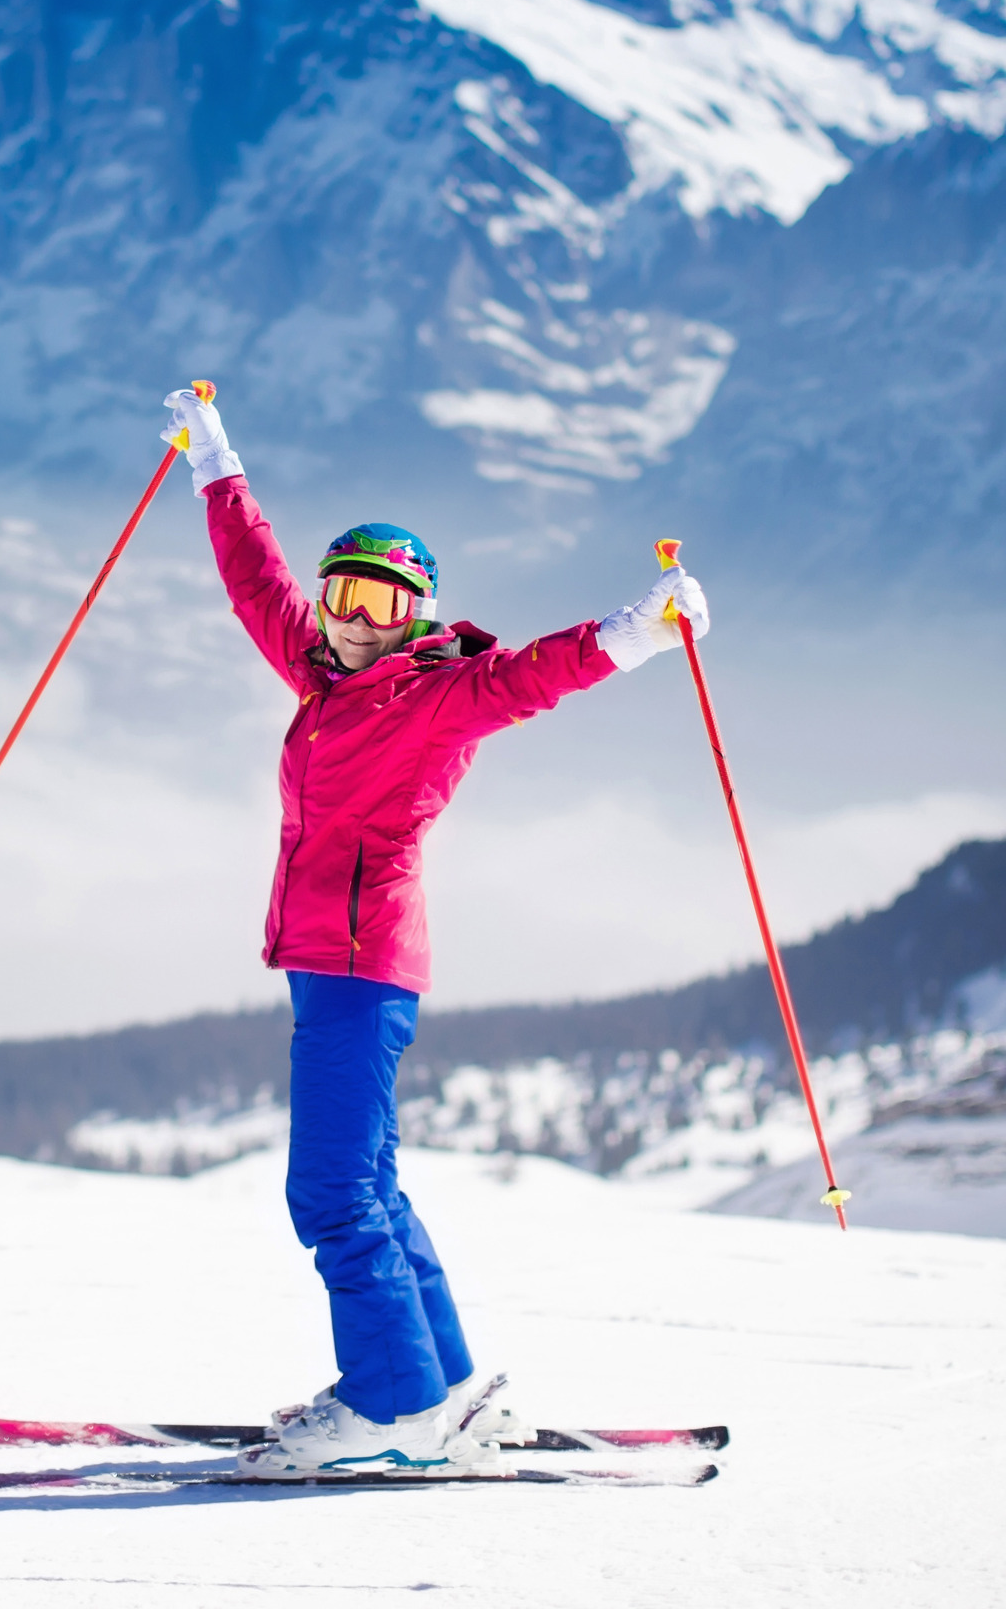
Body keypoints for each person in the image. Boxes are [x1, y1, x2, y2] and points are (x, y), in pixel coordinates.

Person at [158, 386, 710, 1480]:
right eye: (342, 593)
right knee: (369, 1180)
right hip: (327, 961)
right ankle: (443, 1387)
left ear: (415, 615)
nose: (356, 617)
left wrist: (634, 633)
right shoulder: (317, 669)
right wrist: (213, 463)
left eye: (382, 600)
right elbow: (250, 578)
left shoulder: (432, 694)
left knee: (327, 1191)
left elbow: (530, 678)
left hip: (359, 962)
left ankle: (390, 1402)